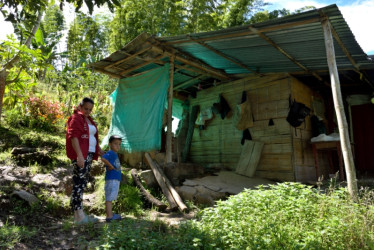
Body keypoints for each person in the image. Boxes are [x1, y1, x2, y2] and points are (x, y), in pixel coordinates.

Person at [66, 97, 104, 224]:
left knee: (81, 182)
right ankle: (79, 216)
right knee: (79, 183)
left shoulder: (88, 119)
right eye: (86, 108)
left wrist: (99, 150)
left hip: (89, 154)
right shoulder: (76, 118)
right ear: (80, 106)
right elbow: (74, 137)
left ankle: (78, 215)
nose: (88, 111)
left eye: (90, 109)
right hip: (82, 154)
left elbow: (91, 137)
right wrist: (79, 155)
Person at [101, 135, 123, 222]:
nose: (118, 146)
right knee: (109, 198)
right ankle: (109, 216)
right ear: (110, 144)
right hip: (112, 178)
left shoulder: (114, 154)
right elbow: (103, 158)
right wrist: (110, 165)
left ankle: (110, 214)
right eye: (115, 144)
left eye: (119, 144)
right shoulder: (110, 153)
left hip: (114, 179)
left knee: (110, 197)